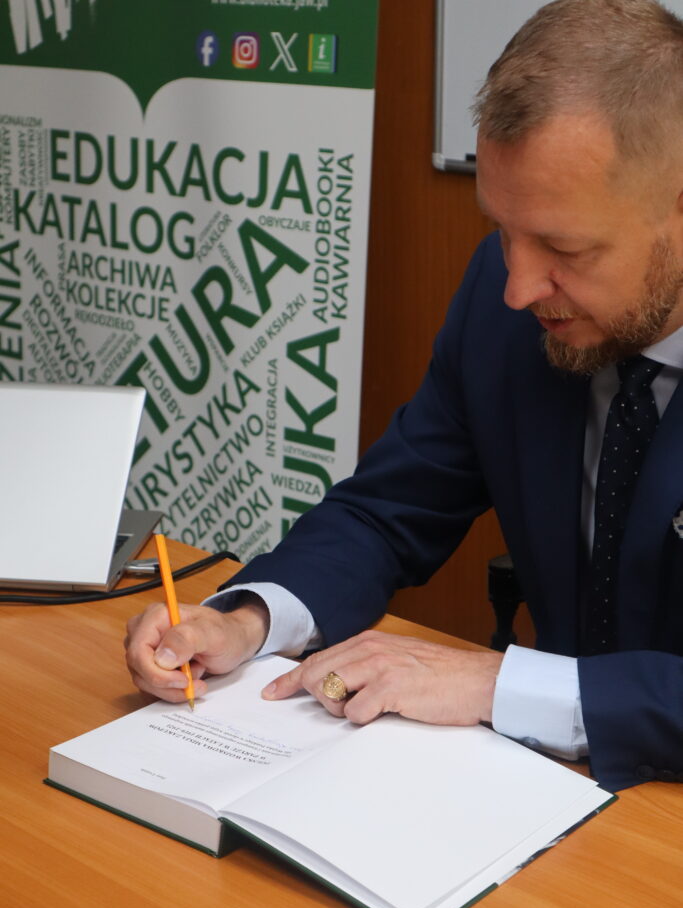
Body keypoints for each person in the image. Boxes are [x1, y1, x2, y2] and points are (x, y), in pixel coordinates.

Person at [125, 0, 683, 792]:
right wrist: (245, 621)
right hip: (540, 802)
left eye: (562, 247)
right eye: (500, 228)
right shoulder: (504, 298)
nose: (519, 286)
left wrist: (498, 686)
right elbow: (388, 511)